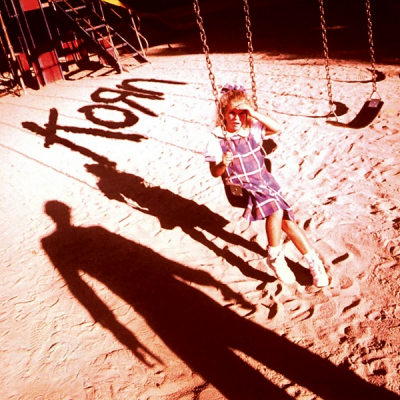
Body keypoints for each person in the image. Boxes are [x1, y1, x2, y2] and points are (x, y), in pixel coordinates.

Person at [203, 84, 329, 287]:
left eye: (242, 113)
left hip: (265, 182)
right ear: (223, 114)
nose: (237, 118)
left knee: (287, 221)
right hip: (242, 187)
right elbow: (214, 172)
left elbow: (277, 128)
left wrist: (253, 113)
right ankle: (275, 256)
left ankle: (314, 262)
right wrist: (223, 164)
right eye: (232, 113)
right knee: (277, 209)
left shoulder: (251, 129)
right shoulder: (216, 138)